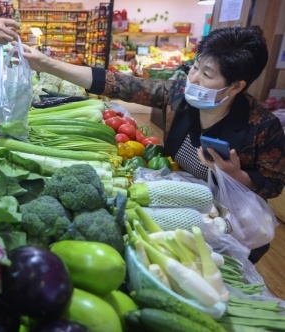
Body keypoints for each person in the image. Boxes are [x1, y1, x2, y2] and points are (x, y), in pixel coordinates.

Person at [20, 26, 285, 264]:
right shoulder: (179, 96)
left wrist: (236, 176)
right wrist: (44, 63)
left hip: (228, 229)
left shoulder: (262, 127)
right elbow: (118, 83)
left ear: (235, 86)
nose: (193, 79)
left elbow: (273, 184)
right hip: (175, 208)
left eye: (207, 74)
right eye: (194, 67)